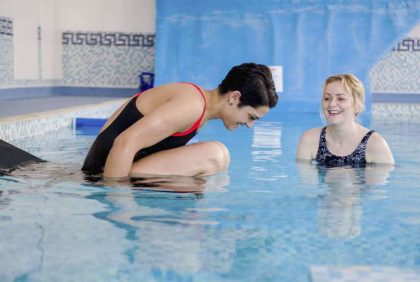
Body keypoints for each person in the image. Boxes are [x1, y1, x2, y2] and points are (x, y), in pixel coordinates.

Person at [82, 63, 278, 178]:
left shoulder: (201, 108)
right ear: (234, 97)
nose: (250, 125)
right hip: (103, 174)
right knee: (215, 155)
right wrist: (118, 204)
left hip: (116, 168)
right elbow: (125, 142)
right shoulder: (191, 105)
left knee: (216, 162)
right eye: (251, 117)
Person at [296, 74, 394, 167]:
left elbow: (379, 183)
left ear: (357, 105)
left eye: (341, 98)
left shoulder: (375, 144)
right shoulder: (310, 139)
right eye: (327, 98)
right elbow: (306, 183)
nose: (331, 104)